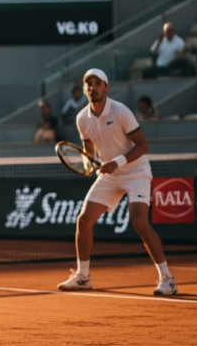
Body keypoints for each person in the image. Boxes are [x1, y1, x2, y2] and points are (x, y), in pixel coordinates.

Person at [58, 68, 177, 296]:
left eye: (97, 83)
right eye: (88, 84)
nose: (92, 87)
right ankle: (83, 277)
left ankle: (167, 279)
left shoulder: (121, 111)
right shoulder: (82, 118)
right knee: (83, 221)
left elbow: (143, 146)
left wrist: (116, 162)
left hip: (136, 171)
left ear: (106, 87)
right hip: (109, 176)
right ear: (85, 89)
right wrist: (89, 166)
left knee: (139, 221)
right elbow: (88, 150)